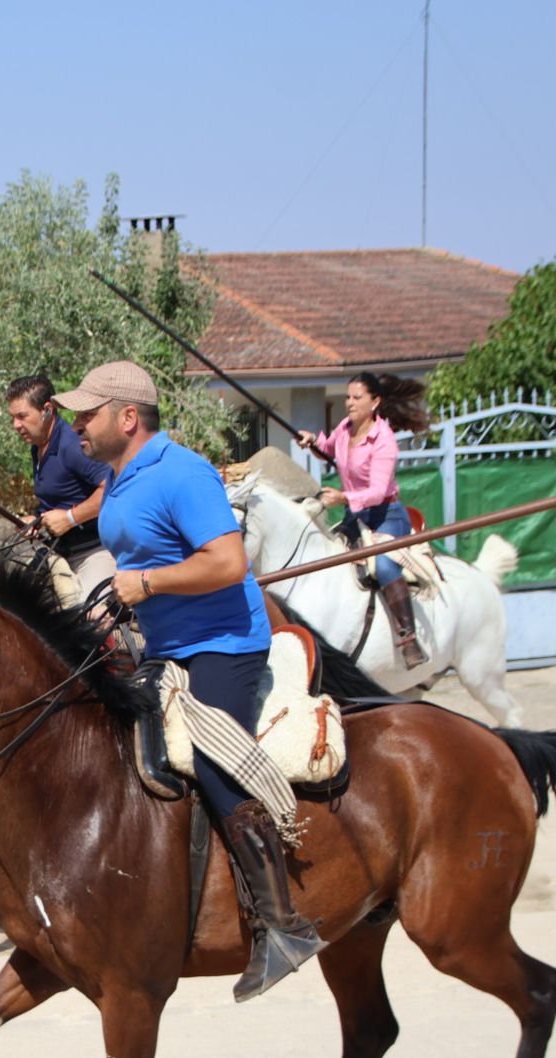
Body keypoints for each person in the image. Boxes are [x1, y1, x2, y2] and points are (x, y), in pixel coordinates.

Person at [55, 359, 324, 1001]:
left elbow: (229, 562)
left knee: (209, 754)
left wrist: (143, 584)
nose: (76, 424)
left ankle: (282, 926)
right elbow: (148, 557)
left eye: (87, 413)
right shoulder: (118, 480)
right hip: (165, 642)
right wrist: (122, 600)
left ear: (127, 417)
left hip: (225, 644)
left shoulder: (183, 472)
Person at [296, 372, 431, 669]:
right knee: (326, 554)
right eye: (347, 397)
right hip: (354, 514)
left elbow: (378, 490)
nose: (349, 403)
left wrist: (343, 498)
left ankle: (408, 637)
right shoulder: (345, 428)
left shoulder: (384, 440)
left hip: (385, 515)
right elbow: (329, 449)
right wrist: (313, 441)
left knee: (382, 564)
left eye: (357, 398)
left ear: (375, 402)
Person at [6, 374, 116, 603]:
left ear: (47, 410)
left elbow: (112, 487)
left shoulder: (72, 446)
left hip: (96, 552)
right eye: (13, 418)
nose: (16, 425)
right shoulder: (38, 447)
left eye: (22, 416)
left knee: (86, 618)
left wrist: (70, 518)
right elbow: (61, 497)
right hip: (57, 553)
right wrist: (36, 519)